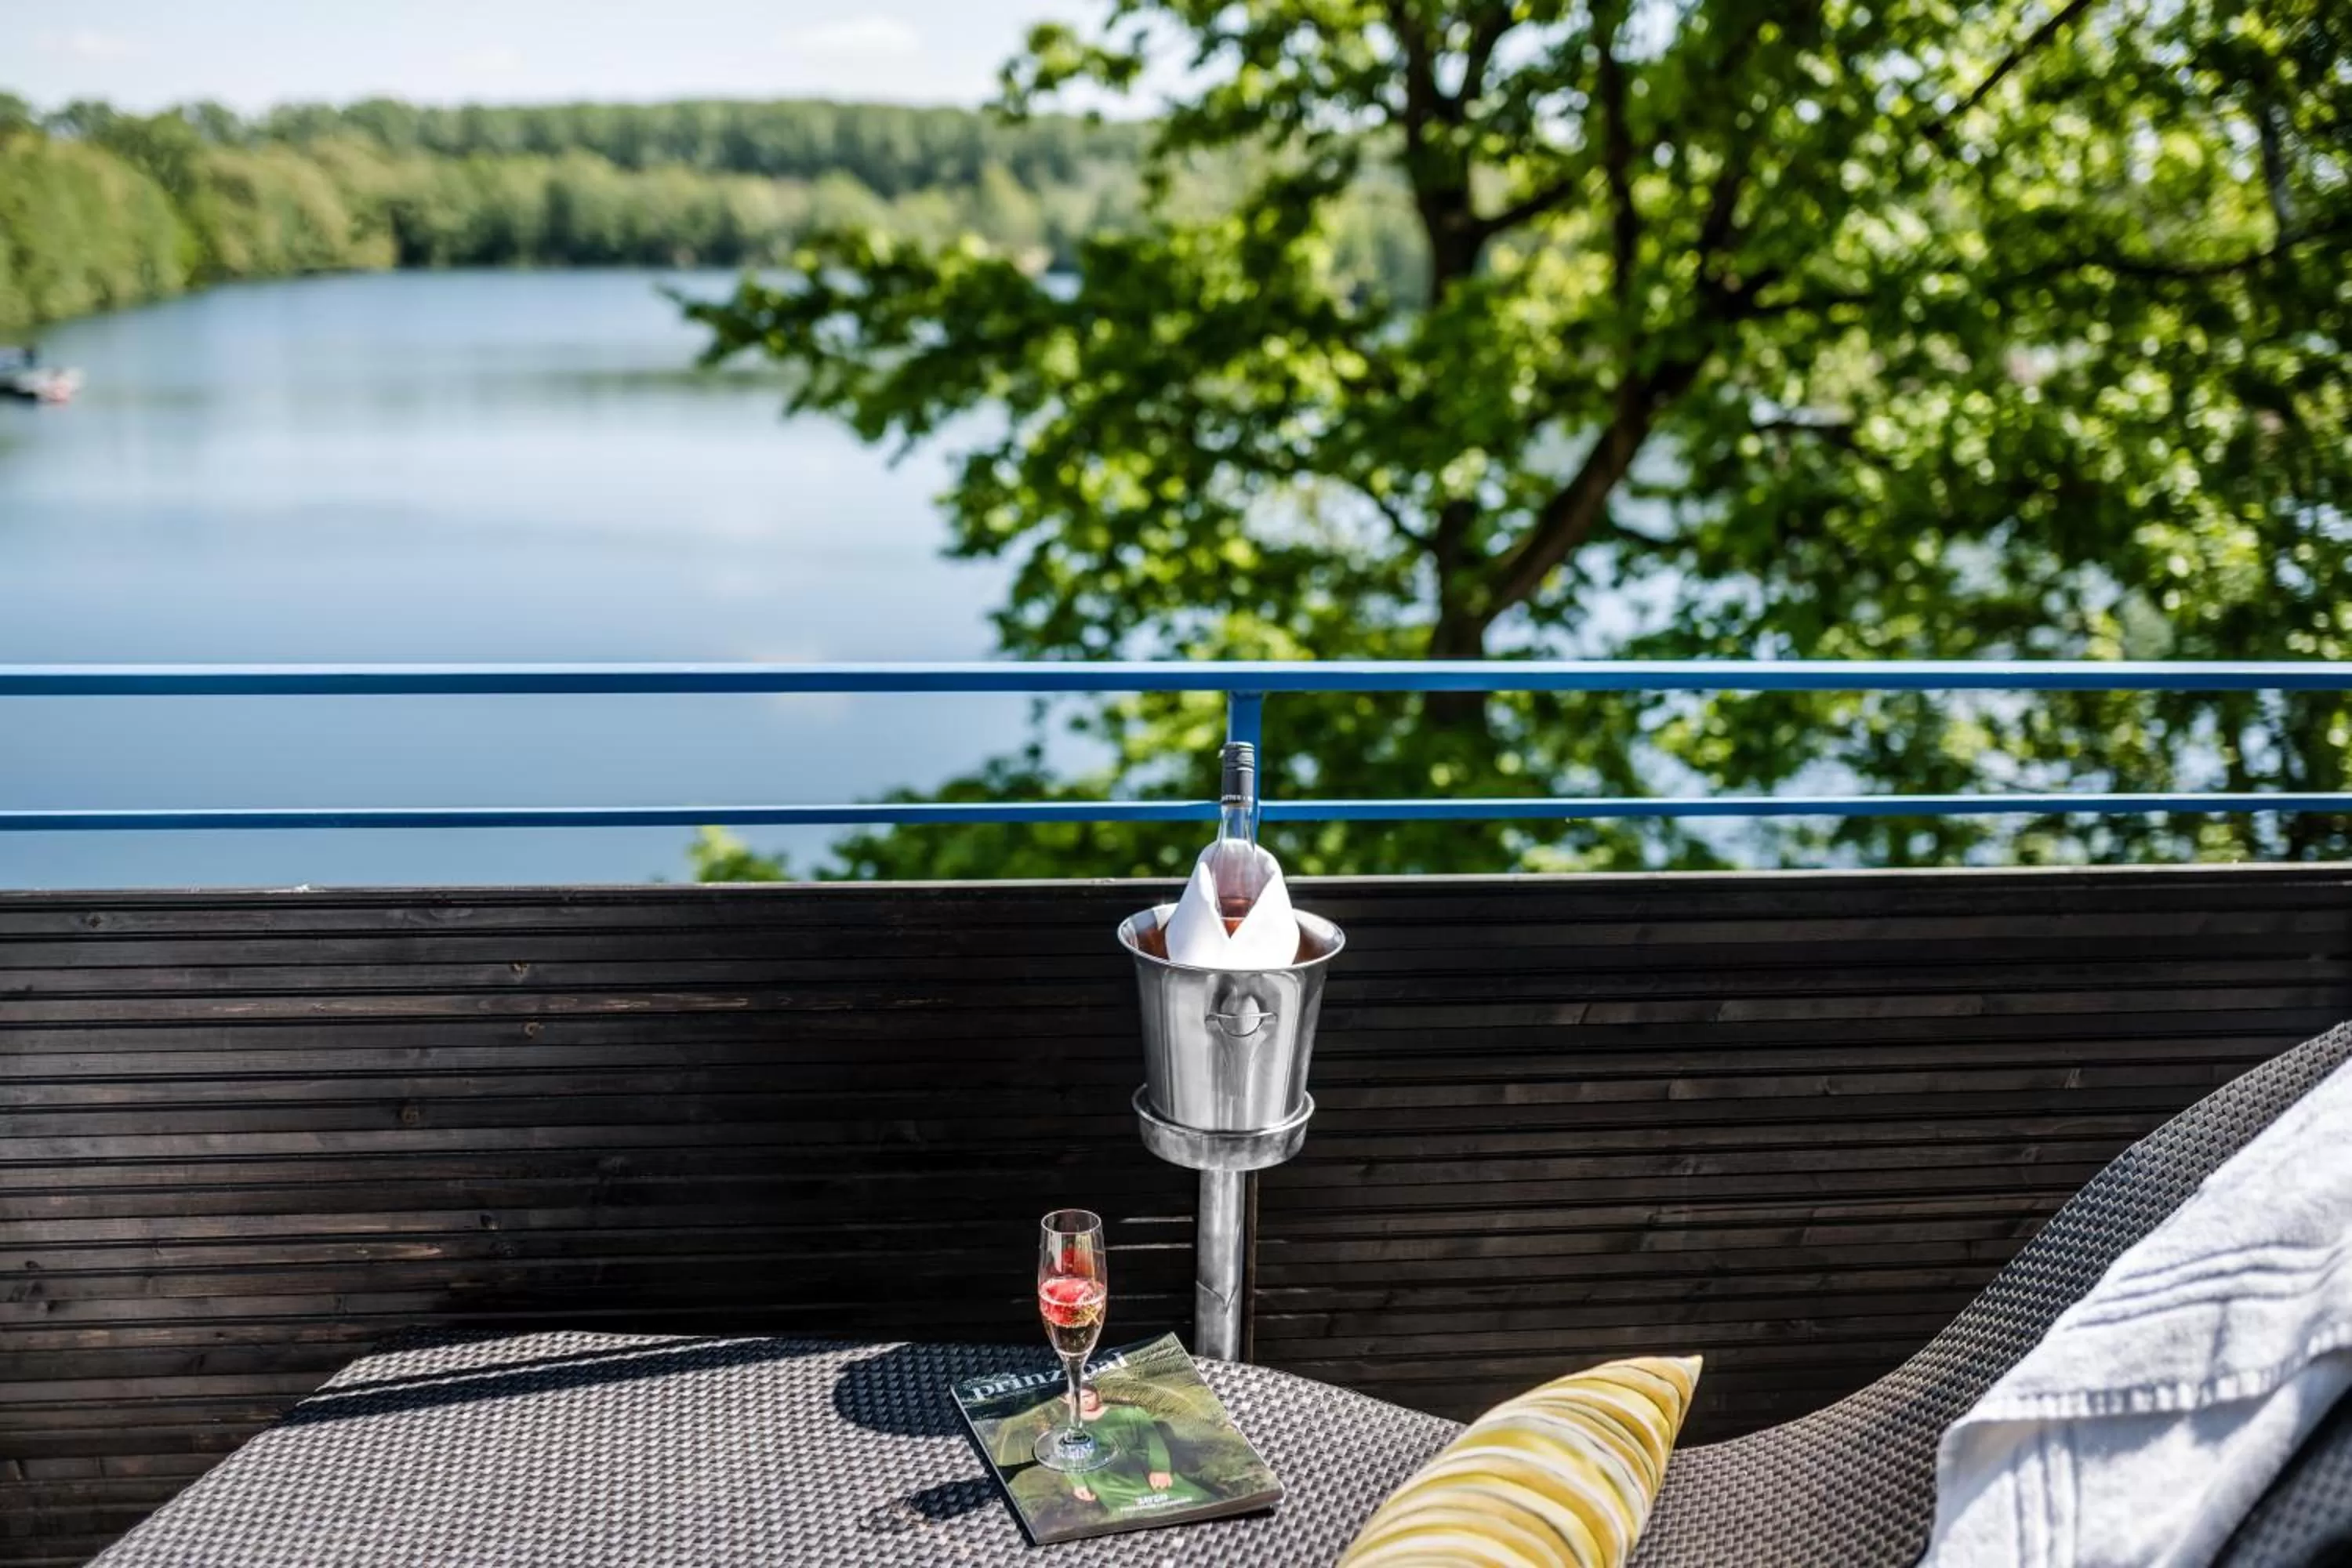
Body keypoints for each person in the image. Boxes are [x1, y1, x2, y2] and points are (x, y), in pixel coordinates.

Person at [1062, 1386, 1212, 1513]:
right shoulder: (1066, 1428)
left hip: (1145, 1468)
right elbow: (1070, 1458)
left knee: (1197, 1500)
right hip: (1108, 1481)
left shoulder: (1130, 1412)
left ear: (1098, 1394)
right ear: (1065, 1401)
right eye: (1076, 1399)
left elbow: (1152, 1439)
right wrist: (1079, 1484)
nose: (1084, 1401)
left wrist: (1160, 1468)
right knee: (1128, 1514)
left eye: (1088, 1396)